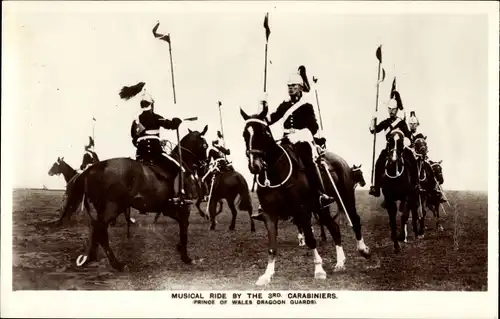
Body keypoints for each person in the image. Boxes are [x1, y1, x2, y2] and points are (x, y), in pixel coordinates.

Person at [252, 66, 335, 220]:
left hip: (301, 141)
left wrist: (299, 134)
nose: (290, 89)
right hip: (285, 141)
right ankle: (264, 204)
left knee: (308, 162)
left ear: (300, 87)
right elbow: (269, 120)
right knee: (268, 157)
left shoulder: (306, 106)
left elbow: (313, 126)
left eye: (294, 86)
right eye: (289, 86)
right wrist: (261, 105)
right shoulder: (284, 105)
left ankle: (319, 194)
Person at [120, 82, 183, 202]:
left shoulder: (136, 120)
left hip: (140, 154)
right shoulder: (155, 117)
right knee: (178, 168)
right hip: (155, 152)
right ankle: (175, 196)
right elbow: (171, 125)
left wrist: (143, 142)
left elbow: (134, 138)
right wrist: (177, 120)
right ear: (151, 105)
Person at [369, 91, 420, 197]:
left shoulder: (401, 123)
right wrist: (372, 121)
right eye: (389, 109)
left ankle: (416, 185)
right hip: (389, 149)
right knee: (378, 163)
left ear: (397, 110)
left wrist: (406, 141)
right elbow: (374, 130)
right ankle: (376, 187)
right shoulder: (385, 122)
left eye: (393, 109)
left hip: (401, 149)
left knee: (413, 161)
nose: (391, 111)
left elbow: (408, 136)